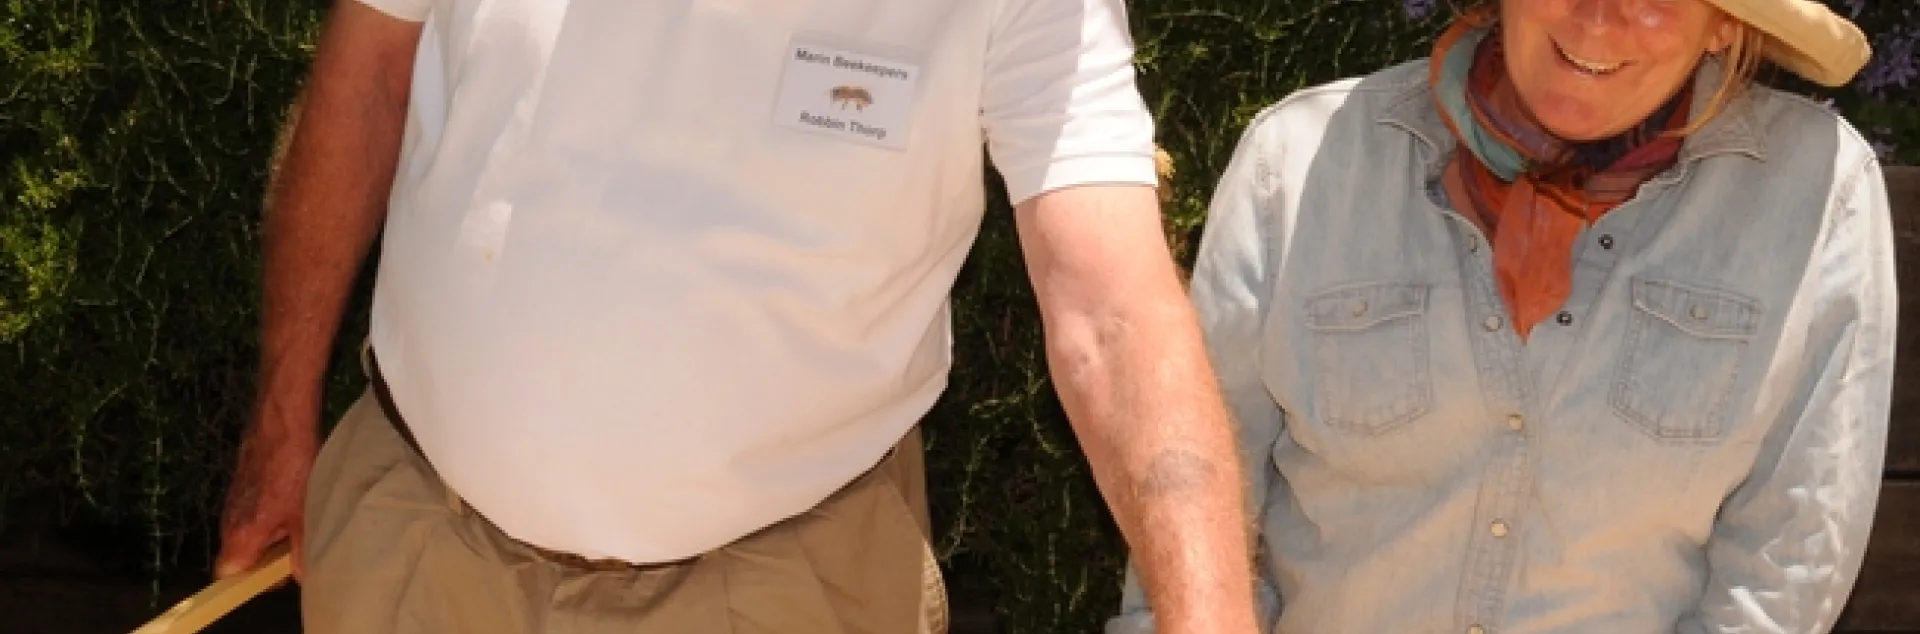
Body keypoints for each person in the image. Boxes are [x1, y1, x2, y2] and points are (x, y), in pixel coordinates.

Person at [211, 0, 1264, 632]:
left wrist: (1207, 615)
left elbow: (1112, 303)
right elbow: (368, 73)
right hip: (417, 541)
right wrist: (283, 409)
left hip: (780, 586)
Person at [1108, 0, 1894, 632]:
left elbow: (1784, 571)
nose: (1596, 19)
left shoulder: (1816, 193)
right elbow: (1196, 506)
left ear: (1726, 22)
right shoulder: (1304, 164)